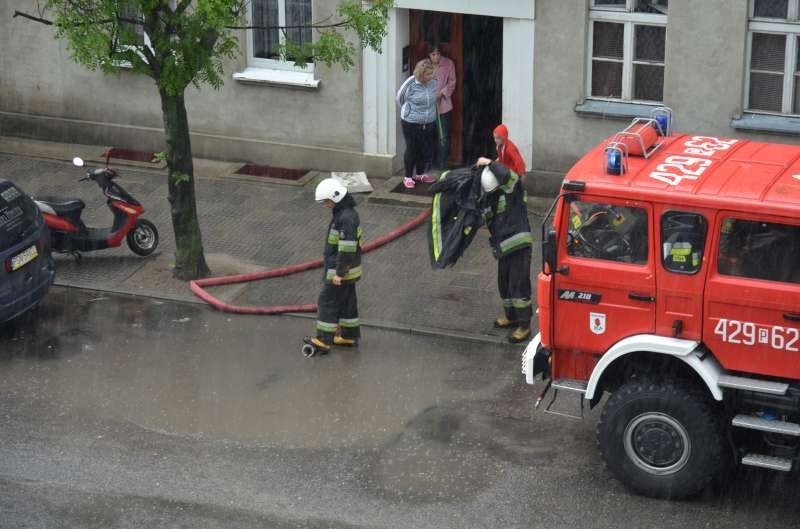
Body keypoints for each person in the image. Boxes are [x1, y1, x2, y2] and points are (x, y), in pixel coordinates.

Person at [476, 155, 533, 343]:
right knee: (505, 285)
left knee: (518, 285)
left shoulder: (512, 188)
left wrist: (490, 163)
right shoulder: (491, 197)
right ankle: (512, 317)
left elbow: (508, 174)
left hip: (519, 246)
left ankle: (525, 325)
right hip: (503, 248)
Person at [306, 178, 363, 354]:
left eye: (327, 201)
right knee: (347, 302)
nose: (326, 205)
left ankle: (323, 340)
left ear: (335, 198)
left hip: (340, 271)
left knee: (328, 301)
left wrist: (339, 273)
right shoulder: (346, 214)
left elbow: (346, 249)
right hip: (348, 269)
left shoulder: (345, 218)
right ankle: (348, 335)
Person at [396, 59, 438, 189]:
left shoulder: (433, 82)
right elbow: (400, 98)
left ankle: (420, 174)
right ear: (420, 74)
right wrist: (409, 111)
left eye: (431, 73)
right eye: (428, 74)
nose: (431, 76)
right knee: (412, 148)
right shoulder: (410, 83)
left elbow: (433, 98)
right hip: (411, 122)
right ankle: (408, 177)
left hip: (429, 121)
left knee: (423, 149)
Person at [428, 43, 457, 170]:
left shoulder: (448, 64)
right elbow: (419, 81)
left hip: (443, 106)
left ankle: (442, 164)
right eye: (433, 54)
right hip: (428, 106)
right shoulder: (424, 65)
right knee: (428, 135)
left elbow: (452, 82)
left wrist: (442, 93)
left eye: (438, 54)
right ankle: (428, 163)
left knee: (443, 136)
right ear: (429, 55)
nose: (436, 57)